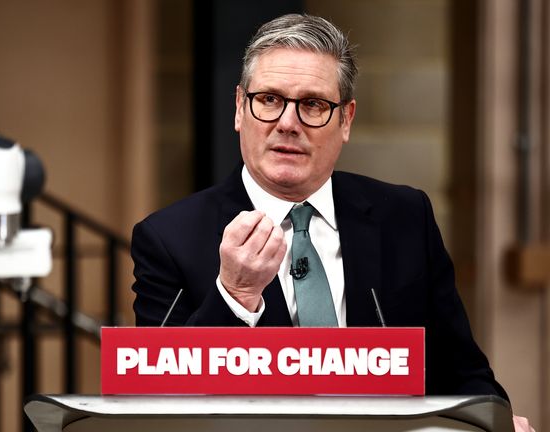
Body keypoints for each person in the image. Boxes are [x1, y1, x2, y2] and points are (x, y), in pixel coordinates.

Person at [131, 13, 533, 431]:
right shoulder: (168, 238)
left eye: (313, 105)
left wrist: (496, 420)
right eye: (268, 99)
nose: (288, 123)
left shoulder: (405, 217)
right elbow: (158, 405)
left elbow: (462, 371)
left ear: (346, 120)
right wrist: (235, 294)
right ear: (238, 108)